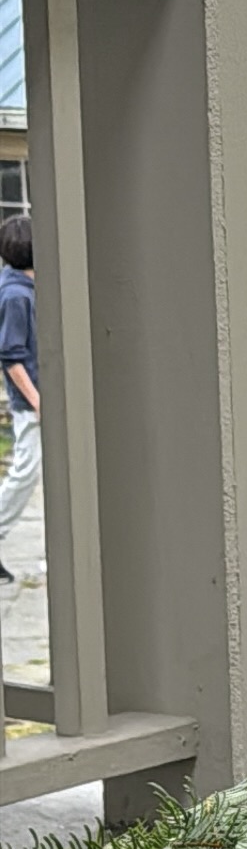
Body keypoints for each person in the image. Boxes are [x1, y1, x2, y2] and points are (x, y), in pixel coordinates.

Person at [0, 212, 41, 587]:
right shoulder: (15, 295)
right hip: (31, 405)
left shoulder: (26, 288)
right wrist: (37, 401)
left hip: (36, 402)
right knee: (25, 473)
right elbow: (11, 356)